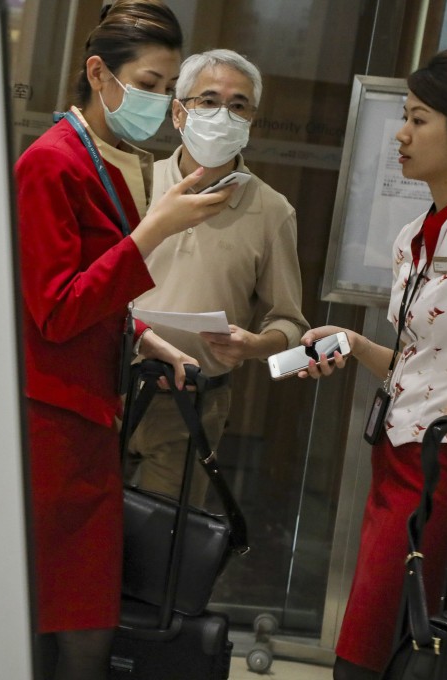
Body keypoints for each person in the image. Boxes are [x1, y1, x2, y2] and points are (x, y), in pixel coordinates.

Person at [298, 45, 447, 680]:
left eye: (419, 119)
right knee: (376, 654)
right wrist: (353, 347)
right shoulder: (419, 231)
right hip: (397, 460)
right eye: (404, 116)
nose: (400, 135)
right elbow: (425, 365)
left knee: (370, 659)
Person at [14, 1, 238, 678]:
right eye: (145, 84)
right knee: (61, 624)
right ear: (96, 73)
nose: (156, 101)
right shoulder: (50, 165)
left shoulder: (110, 160)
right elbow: (52, 310)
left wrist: (141, 338)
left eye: (165, 88)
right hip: (47, 429)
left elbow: (92, 297)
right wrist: (156, 230)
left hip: (86, 421)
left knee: (81, 621)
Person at [126, 49, 308, 507]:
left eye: (238, 105)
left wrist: (255, 345)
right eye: (207, 101)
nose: (222, 114)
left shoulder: (272, 210)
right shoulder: (134, 180)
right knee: (82, 535)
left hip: (191, 404)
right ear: (178, 112)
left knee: (161, 544)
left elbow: (291, 324)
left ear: (251, 121)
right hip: (110, 384)